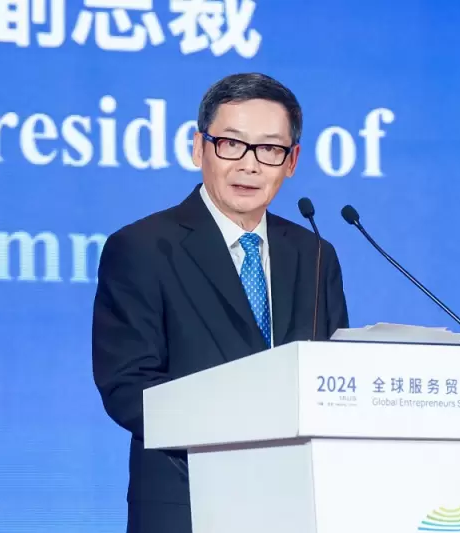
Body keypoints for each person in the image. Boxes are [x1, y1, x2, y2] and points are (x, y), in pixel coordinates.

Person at [91, 72, 349, 533]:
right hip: (188, 499)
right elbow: (128, 388)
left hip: (298, 503)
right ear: (199, 148)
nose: (249, 165)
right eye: (231, 144)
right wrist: (243, 424)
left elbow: (332, 378)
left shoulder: (313, 254)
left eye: (269, 149)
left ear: (291, 161)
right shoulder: (143, 247)